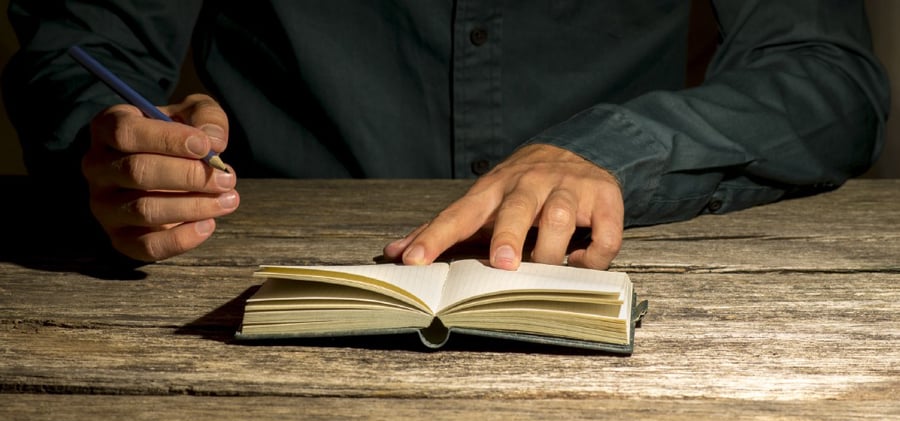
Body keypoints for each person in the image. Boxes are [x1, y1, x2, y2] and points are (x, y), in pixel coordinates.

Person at [2, 1, 889, 270]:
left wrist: (607, 150)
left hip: (606, 287)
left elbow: (828, 74)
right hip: (258, 275)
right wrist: (116, 147)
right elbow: (83, 48)